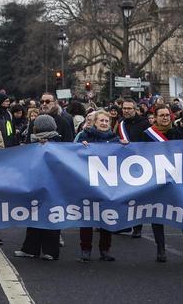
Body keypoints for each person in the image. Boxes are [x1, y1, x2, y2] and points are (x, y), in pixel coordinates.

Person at [132, 105, 183, 264]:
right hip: (156, 180)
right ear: (155, 117)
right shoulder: (146, 136)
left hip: (176, 181)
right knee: (158, 214)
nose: (165, 118)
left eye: (167, 115)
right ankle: (161, 250)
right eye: (162, 115)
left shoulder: (178, 133)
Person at [14, 114, 63, 261]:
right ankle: (35, 249)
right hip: (47, 185)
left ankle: (46, 250)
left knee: (45, 216)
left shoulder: (55, 144)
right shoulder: (52, 143)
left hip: (46, 185)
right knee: (41, 216)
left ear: (36, 128)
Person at [74, 109, 116, 262]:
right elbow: (72, 155)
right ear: (95, 122)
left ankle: (105, 250)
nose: (104, 123)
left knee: (107, 217)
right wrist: (79, 146)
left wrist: (125, 146)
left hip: (107, 184)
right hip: (88, 183)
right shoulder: (85, 136)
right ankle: (85, 249)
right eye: (101, 121)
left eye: (107, 121)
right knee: (87, 218)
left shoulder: (114, 139)